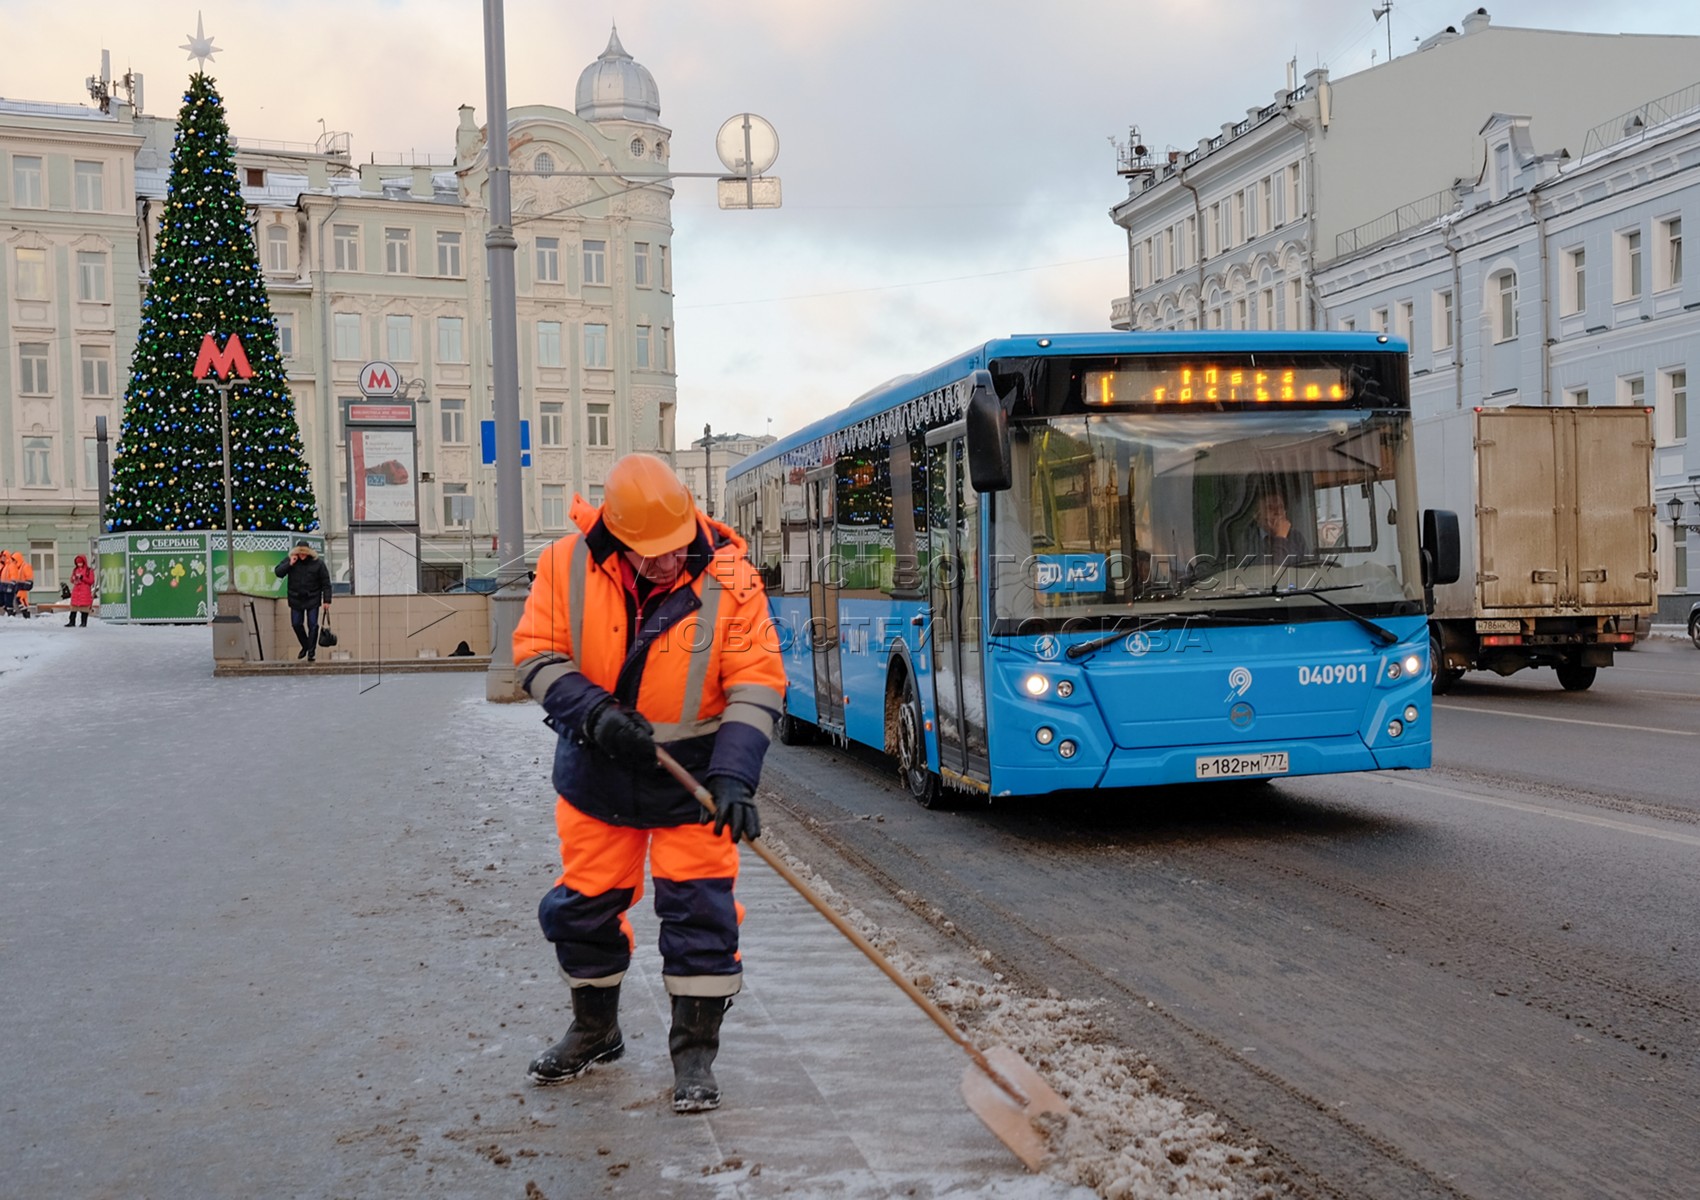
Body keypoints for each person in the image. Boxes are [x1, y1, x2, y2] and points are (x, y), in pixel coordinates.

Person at [512, 452, 785, 1114]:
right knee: (583, 909)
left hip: (691, 780)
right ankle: (595, 1030)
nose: (667, 561)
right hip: (597, 770)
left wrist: (734, 780)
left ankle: (694, 1058)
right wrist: (597, 715)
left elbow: (755, 683)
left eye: (675, 548)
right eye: (650, 554)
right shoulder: (565, 565)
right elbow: (536, 656)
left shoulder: (733, 579)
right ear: (618, 537)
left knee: (700, 915)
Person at [273, 540, 332, 661]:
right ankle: (306, 645)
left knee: (313, 625)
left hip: (313, 597)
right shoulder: (291, 561)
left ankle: (311, 652)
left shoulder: (318, 563)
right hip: (296, 598)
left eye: (304, 553)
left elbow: (326, 583)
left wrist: (327, 600)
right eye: (300, 553)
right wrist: (290, 563)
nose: (302, 555)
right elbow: (278, 572)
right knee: (296, 624)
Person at [1246, 489, 1310, 568]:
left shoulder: (1296, 537)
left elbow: (1308, 570)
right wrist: (1280, 537)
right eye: (1270, 508)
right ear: (1256, 515)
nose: (1277, 512)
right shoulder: (1248, 540)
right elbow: (1271, 575)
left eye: (1280, 507)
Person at [66, 554, 96, 627]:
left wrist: (83, 578)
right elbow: (71, 580)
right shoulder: (75, 570)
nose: (79, 564)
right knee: (73, 608)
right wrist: (74, 579)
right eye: (77, 563)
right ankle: (72, 622)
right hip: (76, 591)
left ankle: (83, 622)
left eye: (80, 563)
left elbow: (91, 581)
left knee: (84, 608)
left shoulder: (89, 570)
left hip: (85, 591)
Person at [0, 550, 18, 616]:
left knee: (8, 603)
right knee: (1, 602)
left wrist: (11, 586)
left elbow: (14, 576)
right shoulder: (4, 566)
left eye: (3, 556)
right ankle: (10, 612)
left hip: (9, 587)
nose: (2, 558)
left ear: (6, 556)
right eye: (1, 557)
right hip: (2, 587)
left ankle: (11, 615)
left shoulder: (11, 565)